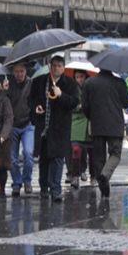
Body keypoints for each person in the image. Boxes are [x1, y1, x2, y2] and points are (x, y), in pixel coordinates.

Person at [30, 56, 79, 202]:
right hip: (43, 127)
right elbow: (31, 99)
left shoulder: (69, 83)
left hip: (60, 129)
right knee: (44, 159)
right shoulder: (39, 81)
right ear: (50, 66)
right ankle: (44, 187)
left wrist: (61, 95)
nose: (56, 68)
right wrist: (36, 107)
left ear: (63, 68)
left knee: (58, 158)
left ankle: (55, 190)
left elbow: (74, 102)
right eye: (54, 65)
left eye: (59, 66)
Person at [82, 69, 128, 198]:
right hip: (115, 125)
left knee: (98, 158)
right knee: (115, 154)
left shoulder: (89, 83)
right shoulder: (119, 82)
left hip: (97, 125)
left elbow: (85, 106)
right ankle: (105, 175)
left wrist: (92, 116)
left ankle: (104, 188)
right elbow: (127, 103)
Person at [3, 63, 35, 196]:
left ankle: (27, 180)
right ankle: (17, 182)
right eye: (16, 71)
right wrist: (4, 92)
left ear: (25, 71)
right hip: (13, 125)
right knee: (12, 158)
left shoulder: (32, 84)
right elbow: (3, 104)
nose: (19, 74)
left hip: (28, 124)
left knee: (28, 154)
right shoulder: (8, 84)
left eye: (21, 71)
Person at [68, 70, 94, 189]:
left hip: (89, 123)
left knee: (92, 152)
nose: (79, 79)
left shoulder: (91, 87)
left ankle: (92, 175)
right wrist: (78, 106)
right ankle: (75, 176)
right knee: (76, 150)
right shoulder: (72, 89)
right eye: (77, 77)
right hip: (76, 122)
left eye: (81, 77)